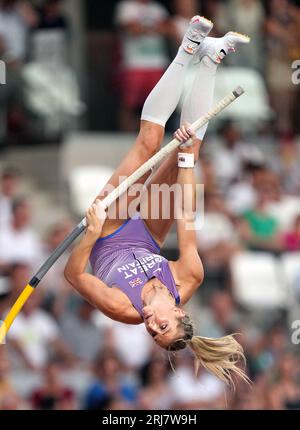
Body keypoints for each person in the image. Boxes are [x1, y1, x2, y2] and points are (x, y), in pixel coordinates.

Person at [65, 16, 250, 386]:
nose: (150, 324)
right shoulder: (188, 277)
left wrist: (91, 231)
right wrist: (183, 162)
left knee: (149, 142)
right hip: (149, 232)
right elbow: (185, 215)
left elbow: (73, 275)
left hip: (107, 231)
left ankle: (187, 49)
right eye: (161, 326)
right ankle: (211, 57)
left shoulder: (123, 310)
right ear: (178, 310)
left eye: (152, 332)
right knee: (188, 147)